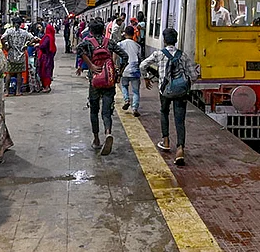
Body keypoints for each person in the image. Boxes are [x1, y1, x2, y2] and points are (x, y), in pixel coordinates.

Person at [140, 28, 199, 166]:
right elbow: (194, 75)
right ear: (176, 40)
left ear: (164, 40)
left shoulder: (158, 54)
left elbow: (143, 65)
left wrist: (146, 78)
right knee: (180, 119)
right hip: (180, 91)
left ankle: (165, 141)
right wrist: (187, 85)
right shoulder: (183, 55)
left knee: (164, 112)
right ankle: (180, 150)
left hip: (165, 91)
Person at [76, 19, 128, 156]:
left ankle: (96, 139)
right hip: (109, 80)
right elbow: (125, 56)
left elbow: (78, 50)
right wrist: (119, 74)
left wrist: (91, 66)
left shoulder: (88, 42)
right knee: (106, 111)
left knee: (94, 111)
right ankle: (108, 133)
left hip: (95, 81)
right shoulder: (109, 42)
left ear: (91, 31)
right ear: (103, 30)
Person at [1, 17, 38, 96]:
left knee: (9, 73)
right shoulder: (24, 32)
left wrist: (6, 47)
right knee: (19, 74)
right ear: (21, 24)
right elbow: (34, 38)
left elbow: (2, 38)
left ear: (13, 23)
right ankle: (18, 91)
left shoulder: (9, 31)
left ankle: (6, 91)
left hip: (11, 54)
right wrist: (27, 45)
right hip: (21, 55)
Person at [118, 26, 142, 117]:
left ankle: (127, 100)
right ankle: (135, 108)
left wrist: (116, 66)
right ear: (133, 34)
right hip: (135, 70)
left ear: (125, 34)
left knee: (124, 86)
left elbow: (115, 54)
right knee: (136, 91)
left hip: (124, 69)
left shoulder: (120, 44)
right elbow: (140, 58)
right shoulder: (137, 45)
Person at [38, 24, 57, 92]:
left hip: (45, 58)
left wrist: (38, 45)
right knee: (48, 71)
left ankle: (46, 87)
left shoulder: (47, 37)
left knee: (45, 72)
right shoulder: (51, 37)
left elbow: (43, 46)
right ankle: (47, 86)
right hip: (49, 57)